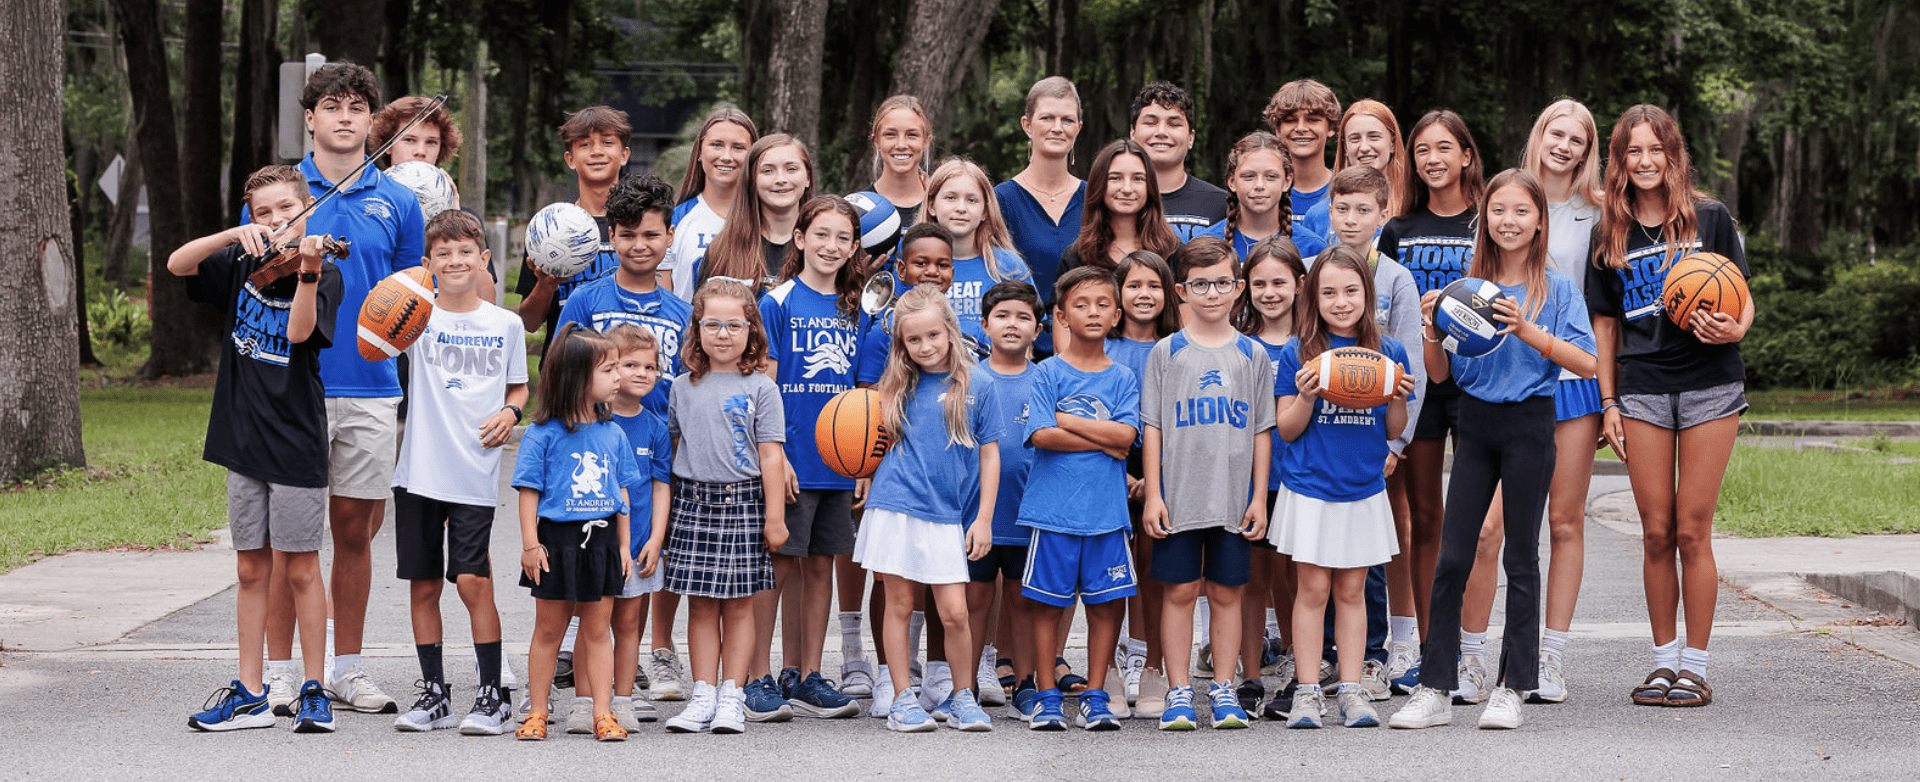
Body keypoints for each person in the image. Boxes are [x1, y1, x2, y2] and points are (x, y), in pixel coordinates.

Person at [1393, 168, 1599, 730]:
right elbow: (1439, 376)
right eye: (1499, 212)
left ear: (1539, 222)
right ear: (1486, 221)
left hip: (1532, 422)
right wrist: (1432, 328)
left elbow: (1589, 363)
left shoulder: (1554, 289)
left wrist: (1528, 330)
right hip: (1476, 423)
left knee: (1520, 556)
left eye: (1521, 212)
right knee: (1454, 555)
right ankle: (1435, 686)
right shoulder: (1467, 288)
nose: (1509, 222)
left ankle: (1514, 686)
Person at [264, 62, 424, 718]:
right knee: (290, 537)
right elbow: (249, 279)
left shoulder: (402, 200)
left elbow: (416, 294)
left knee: (354, 533)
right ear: (309, 117)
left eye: (357, 106)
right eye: (332, 105)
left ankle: (348, 670)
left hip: (372, 385)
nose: (345, 116)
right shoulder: (282, 192)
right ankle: (278, 673)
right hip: (292, 384)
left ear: (371, 120)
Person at [1590, 104, 1751, 710]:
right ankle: (1662, 664)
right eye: (1633, 151)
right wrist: (1608, 400)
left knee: (1691, 530)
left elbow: (1743, 296)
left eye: (1655, 149)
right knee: (1655, 533)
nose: (1645, 160)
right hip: (1643, 389)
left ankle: (1697, 667)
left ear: (1673, 155)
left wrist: (1734, 330)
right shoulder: (1611, 234)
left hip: (1710, 383)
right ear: (1620, 162)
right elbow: (1604, 327)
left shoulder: (1709, 219)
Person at [173, 165, 343, 733]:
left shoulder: (325, 272)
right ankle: (249, 693)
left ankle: (314, 689)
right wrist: (230, 235)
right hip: (241, 436)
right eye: (262, 213)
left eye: (285, 210)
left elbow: (298, 336)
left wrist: (310, 273)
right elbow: (178, 263)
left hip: (295, 441)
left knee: (299, 568)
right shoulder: (240, 261)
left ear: (307, 208)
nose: (275, 221)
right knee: (250, 569)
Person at [1455, 99, 1609, 705]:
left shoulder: (1599, 216)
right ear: (1537, 135)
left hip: (1570, 379)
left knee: (1564, 522)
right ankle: (1469, 659)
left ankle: (1549, 658)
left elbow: (1602, 312)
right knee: (1489, 531)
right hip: (1510, 384)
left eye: (1578, 138)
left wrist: (1609, 395)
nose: (1564, 145)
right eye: (1555, 132)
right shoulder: (1504, 202)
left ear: (1588, 149)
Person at [386, 210, 528, 735]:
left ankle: (492, 693)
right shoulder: (415, 319)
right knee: (423, 586)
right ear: (428, 263)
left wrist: (511, 413)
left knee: (472, 580)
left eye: (465, 251)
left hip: (473, 473)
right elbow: (374, 341)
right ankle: (433, 693)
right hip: (418, 470)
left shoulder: (506, 324)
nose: (455, 260)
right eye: (443, 253)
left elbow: (519, 389)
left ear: (484, 259)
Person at [1267, 246, 1417, 730]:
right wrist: (1308, 396)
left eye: (1351, 291)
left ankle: (1352, 691)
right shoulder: (1299, 351)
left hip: (1363, 487)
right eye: (1328, 292)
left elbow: (1394, 425)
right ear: (1312, 296)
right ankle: (1308, 693)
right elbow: (1286, 429)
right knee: (1312, 589)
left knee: (1352, 590)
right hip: (1311, 487)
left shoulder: (1389, 351)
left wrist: (1398, 397)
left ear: (1367, 295)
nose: (1340, 301)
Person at [1139, 236, 1276, 731]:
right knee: (1178, 593)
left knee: (1227, 594)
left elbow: (1263, 430)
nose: (1213, 292)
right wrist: (1153, 493)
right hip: (1178, 497)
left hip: (1232, 498)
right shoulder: (1165, 352)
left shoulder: (1253, 354)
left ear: (1238, 287)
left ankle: (1222, 687)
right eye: (1201, 283)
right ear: (1182, 291)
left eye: (1222, 282)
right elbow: (1152, 426)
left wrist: (1259, 497)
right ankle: (1179, 690)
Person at [856, 286, 1004, 732]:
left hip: (948, 514)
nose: (924, 347)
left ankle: (962, 696)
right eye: (913, 340)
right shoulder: (897, 385)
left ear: (951, 332)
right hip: (896, 505)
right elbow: (868, 442)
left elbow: (990, 455)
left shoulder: (979, 383)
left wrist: (983, 518)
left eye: (933, 336)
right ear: (902, 343)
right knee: (899, 605)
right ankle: (902, 699)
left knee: (954, 611)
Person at [1379, 110, 1486, 684]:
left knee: (1471, 523)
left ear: (1466, 155)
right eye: (1421, 150)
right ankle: (1426, 647)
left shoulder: (1486, 221)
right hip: (1419, 383)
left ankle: (1468, 649)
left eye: (1444, 147)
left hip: (1475, 381)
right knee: (1423, 517)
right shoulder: (1399, 228)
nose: (1432, 159)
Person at [754, 196, 870, 721]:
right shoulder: (777, 302)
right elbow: (766, 387)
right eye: (821, 234)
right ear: (799, 239)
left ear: (853, 248)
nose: (831, 246)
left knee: (822, 565)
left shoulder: (858, 310)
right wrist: (777, 457)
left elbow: (865, 395)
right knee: (777, 566)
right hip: (792, 455)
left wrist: (865, 462)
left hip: (839, 462)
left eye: (843, 238)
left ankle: (805, 673)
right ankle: (757, 675)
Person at [660, 280, 791, 734]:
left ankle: (733, 693)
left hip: (744, 504)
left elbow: (771, 454)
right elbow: (675, 445)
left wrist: (775, 517)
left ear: (751, 331)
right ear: (696, 329)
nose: (722, 334)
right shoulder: (681, 386)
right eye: (712, 324)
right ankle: (703, 694)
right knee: (699, 606)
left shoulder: (762, 388)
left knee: (739, 607)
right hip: (693, 504)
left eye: (734, 325)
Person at [1018, 266, 1141, 732]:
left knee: (1106, 605)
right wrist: (1105, 441)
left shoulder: (1124, 377)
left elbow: (1127, 435)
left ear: (1115, 314)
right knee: (1049, 605)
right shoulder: (1046, 371)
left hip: (1106, 514)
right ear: (1061, 315)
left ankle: (1094, 695)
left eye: (1102, 304)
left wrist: (1069, 422)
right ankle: (1047, 695)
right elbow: (1042, 435)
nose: (1092, 312)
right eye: (1081, 304)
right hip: (1053, 513)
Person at [1325, 164, 1427, 701]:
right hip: (1323, 437)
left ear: (1384, 215)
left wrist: (1396, 441)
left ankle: (1370, 656)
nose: (1351, 219)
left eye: (1364, 209)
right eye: (1342, 208)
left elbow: (1414, 370)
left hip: (1373, 438)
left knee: (1367, 549)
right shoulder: (1316, 271)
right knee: (1320, 549)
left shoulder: (1397, 280)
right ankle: (1322, 654)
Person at [510, 325, 638, 742]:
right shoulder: (541, 433)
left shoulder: (614, 432)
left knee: (598, 631)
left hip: (600, 543)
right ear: (578, 377)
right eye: (610, 369)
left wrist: (623, 547)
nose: (619, 376)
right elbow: (528, 492)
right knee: (549, 630)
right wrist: (530, 545)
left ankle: (603, 713)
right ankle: (537, 712)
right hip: (554, 542)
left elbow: (622, 496)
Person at [850, 222, 958, 715]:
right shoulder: (883, 339)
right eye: (920, 263)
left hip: (948, 494)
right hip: (897, 492)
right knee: (893, 587)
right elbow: (868, 416)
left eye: (942, 263)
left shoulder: (961, 356)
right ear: (900, 268)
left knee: (944, 590)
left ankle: (943, 674)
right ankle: (895, 680)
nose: (931, 272)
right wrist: (866, 466)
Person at [1230, 236, 1308, 720]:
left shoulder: (1315, 344)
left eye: (1280, 282)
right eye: (1259, 283)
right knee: (1252, 579)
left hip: (1303, 478)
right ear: (1245, 288)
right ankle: (1250, 674)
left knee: (1297, 581)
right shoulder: (1236, 345)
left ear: (1300, 284)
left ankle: (1303, 672)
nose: (1270, 292)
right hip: (1251, 480)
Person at [1104, 249, 1180, 718]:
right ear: (1118, 295)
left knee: (1155, 567)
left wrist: (1152, 479)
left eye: (1153, 286)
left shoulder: (1179, 347)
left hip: (1166, 473)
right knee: (1111, 570)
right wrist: (1125, 474)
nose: (1143, 294)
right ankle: (1109, 667)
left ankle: (1150, 663)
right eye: (1133, 286)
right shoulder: (1103, 347)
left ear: (1168, 293)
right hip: (1107, 470)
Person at [967, 280, 1046, 718]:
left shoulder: (1046, 379)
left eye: (1022, 317)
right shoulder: (972, 380)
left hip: (1028, 513)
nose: (1012, 324)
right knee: (975, 602)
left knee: (1022, 601)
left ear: (1039, 328)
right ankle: (965, 685)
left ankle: (1026, 683)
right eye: (1002, 316)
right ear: (984, 325)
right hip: (981, 515)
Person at [556, 174, 690, 415]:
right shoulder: (585, 301)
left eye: (651, 235)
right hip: (594, 443)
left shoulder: (684, 315)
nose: (639, 246)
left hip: (659, 447)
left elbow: (689, 395)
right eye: (628, 235)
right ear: (613, 236)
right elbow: (561, 377)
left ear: (669, 236)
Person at [516, 106, 633, 353]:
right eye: (585, 145)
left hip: (627, 367)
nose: (597, 152)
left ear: (624, 155)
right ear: (570, 159)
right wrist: (545, 287)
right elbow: (529, 323)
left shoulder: (641, 229)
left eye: (607, 142)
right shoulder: (548, 230)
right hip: (565, 371)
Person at [603, 324, 673, 731]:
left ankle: (623, 697)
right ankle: (587, 698)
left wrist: (657, 539)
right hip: (595, 544)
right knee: (587, 622)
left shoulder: (656, 428)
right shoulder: (591, 420)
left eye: (650, 366)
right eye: (631, 364)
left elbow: (661, 487)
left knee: (629, 624)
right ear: (610, 368)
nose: (643, 373)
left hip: (641, 544)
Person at [923, 157, 1035, 347]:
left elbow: (1028, 331)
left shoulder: (1008, 266)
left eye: (972, 200)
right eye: (950, 198)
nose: (961, 208)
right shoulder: (915, 267)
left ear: (985, 211)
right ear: (932, 206)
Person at [995, 77, 1086, 308]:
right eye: (1047, 118)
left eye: (1067, 120)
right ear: (1027, 125)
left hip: (1087, 336)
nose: (1057, 128)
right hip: (1025, 335)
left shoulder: (1095, 198)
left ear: (1078, 128)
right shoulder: (1001, 200)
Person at [696, 133, 817, 295]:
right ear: (751, 180)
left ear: (807, 177)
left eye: (791, 169)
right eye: (767, 171)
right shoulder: (722, 250)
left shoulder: (825, 246)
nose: (780, 179)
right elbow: (701, 315)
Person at [661, 105, 759, 295]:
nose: (726, 157)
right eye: (716, 145)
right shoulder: (674, 221)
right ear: (699, 151)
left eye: (738, 148)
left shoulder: (765, 221)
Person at [1127, 81, 1228, 242]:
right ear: (1133, 132)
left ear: (1191, 138)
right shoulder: (1113, 199)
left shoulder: (1221, 205)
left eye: (1174, 124)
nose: (1161, 132)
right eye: (1150, 123)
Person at [1263, 80, 1340, 250]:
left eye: (1312, 120)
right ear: (1277, 129)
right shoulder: (1262, 191)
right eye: (1290, 120)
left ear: (1331, 128)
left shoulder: (1346, 191)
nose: (1301, 128)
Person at [1201, 131, 1303, 259]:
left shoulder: (1311, 246)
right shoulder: (1206, 245)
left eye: (1271, 176)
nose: (1259, 185)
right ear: (1232, 181)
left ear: (1287, 182)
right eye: (1249, 176)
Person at [867, 95, 934, 254]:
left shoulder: (941, 206)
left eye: (912, 135)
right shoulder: (859, 208)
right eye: (890, 134)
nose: (901, 145)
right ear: (876, 141)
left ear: (926, 141)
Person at [368, 95, 461, 169]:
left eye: (431, 142)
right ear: (388, 146)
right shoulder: (370, 190)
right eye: (409, 140)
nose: (421, 152)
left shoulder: (446, 191)